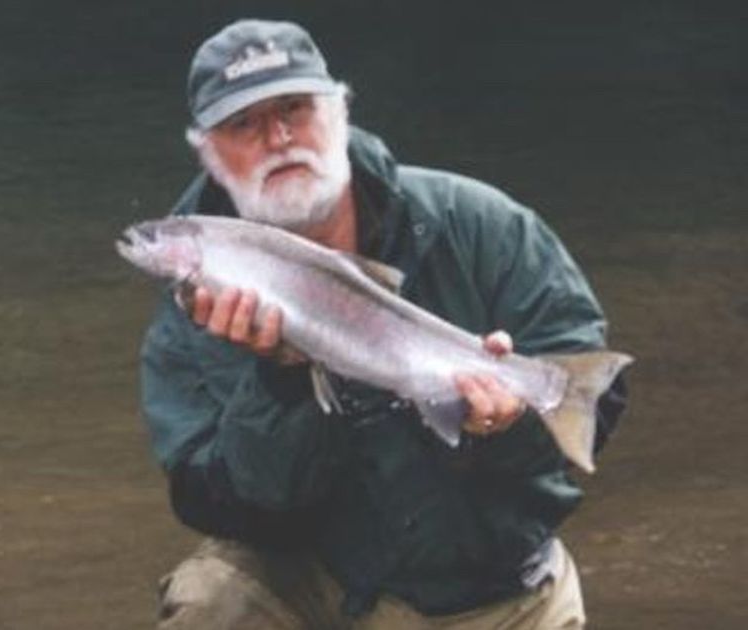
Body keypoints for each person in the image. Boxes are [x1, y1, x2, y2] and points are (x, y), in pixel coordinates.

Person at [140, 18, 628, 630]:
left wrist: (503, 426)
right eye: (244, 124)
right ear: (210, 156)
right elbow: (221, 506)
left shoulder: (481, 223)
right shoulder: (195, 310)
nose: (279, 136)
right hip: (315, 591)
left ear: (340, 112)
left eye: (295, 107)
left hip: (493, 587)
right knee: (212, 598)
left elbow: (597, 399)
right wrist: (279, 381)